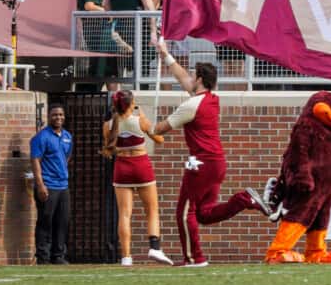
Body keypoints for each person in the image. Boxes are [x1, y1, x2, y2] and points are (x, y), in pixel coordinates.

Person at [157, 50, 272, 266]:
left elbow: (159, 129)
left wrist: (141, 123)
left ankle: (194, 258)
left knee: (185, 213)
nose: (188, 78)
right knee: (205, 214)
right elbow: (182, 77)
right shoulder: (210, 99)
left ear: (199, 80)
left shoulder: (191, 105)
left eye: (193, 76)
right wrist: (165, 54)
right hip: (216, 162)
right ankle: (243, 199)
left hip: (201, 163)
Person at [105, 88, 172, 267]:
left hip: (122, 168)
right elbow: (160, 140)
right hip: (141, 165)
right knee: (151, 210)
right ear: (131, 103)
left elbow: (108, 150)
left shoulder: (109, 125)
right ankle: (154, 247)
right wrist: (146, 121)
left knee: (125, 214)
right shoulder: (140, 120)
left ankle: (126, 257)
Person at [28, 103, 71, 265]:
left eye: (60, 115)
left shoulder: (67, 136)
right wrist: (40, 185)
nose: (58, 118)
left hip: (63, 186)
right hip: (47, 186)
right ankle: (43, 257)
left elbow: (66, 157)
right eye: (55, 115)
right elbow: (35, 161)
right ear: (48, 117)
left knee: (62, 221)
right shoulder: (41, 137)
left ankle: (58, 256)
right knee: (45, 221)